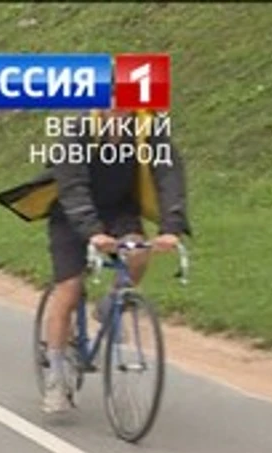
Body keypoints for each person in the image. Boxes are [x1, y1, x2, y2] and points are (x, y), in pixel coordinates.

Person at [38, 109, 189, 414]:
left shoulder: (147, 127)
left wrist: (171, 228)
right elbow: (72, 187)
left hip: (118, 211)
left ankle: (112, 303)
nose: (120, 107)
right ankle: (56, 373)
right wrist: (92, 232)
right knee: (69, 287)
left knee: (138, 252)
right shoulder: (78, 129)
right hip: (70, 215)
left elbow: (169, 174)